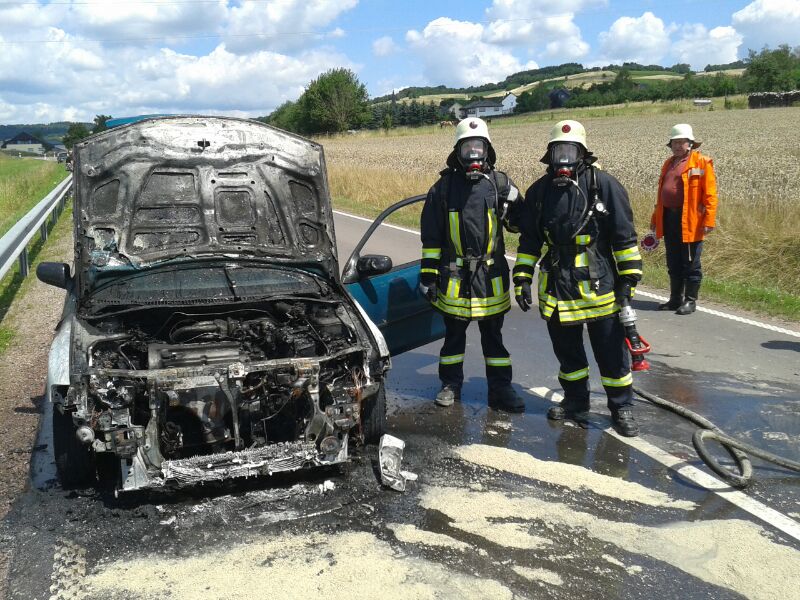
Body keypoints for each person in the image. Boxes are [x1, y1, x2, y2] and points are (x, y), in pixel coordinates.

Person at [510, 120, 642, 436]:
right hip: (558, 286)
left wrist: (628, 278)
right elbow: (529, 241)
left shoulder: (604, 185)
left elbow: (624, 235)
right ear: (550, 155)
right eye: (559, 151)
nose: (564, 159)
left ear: (582, 154)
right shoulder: (539, 192)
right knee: (568, 353)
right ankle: (575, 402)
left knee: (611, 353)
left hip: (600, 285)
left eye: (570, 151)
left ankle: (621, 407)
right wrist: (523, 276)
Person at [419, 117, 524, 413]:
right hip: (455, 278)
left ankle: (501, 389)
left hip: (490, 278)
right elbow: (431, 238)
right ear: (458, 152)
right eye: (468, 148)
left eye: (478, 147)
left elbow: (521, 223)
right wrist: (428, 277)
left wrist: (512, 206)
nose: (473, 154)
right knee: (453, 337)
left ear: (487, 150)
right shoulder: (443, 189)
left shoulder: (500, 184)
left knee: (494, 339)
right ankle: (450, 385)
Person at [649, 124, 718, 315]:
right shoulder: (668, 163)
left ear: (690, 144)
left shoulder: (702, 162)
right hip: (668, 217)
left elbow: (710, 195)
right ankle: (675, 299)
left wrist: (709, 220)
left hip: (690, 219)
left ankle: (690, 301)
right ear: (670, 145)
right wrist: (655, 219)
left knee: (690, 262)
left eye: (682, 142)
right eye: (675, 142)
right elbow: (661, 195)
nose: (678, 146)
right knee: (673, 261)